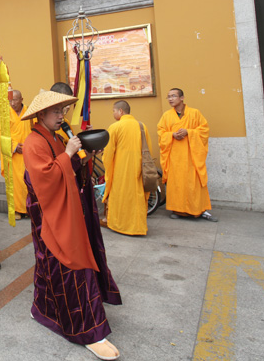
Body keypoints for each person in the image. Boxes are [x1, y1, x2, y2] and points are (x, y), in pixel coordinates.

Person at [22, 90, 121, 361]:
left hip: (61, 209)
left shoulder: (54, 137)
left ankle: (42, 310)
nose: (61, 116)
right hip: (50, 214)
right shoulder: (33, 141)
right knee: (70, 269)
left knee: (48, 266)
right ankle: (88, 330)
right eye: (56, 112)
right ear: (41, 115)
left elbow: (67, 167)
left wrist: (85, 156)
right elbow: (47, 178)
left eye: (63, 110)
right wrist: (67, 152)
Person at [157, 88, 217, 222]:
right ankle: (178, 210)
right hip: (175, 156)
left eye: (173, 96)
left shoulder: (195, 113)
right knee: (177, 183)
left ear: (182, 98)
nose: (170, 99)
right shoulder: (166, 116)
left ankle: (199, 210)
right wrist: (172, 134)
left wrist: (189, 132)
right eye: (168, 97)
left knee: (194, 183)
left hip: (192, 156)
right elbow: (161, 132)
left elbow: (204, 130)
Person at [103, 101, 151, 236]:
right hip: (138, 170)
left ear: (120, 112)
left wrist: (107, 166)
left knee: (120, 197)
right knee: (136, 198)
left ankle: (120, 225)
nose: (113, 113)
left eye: (113, 111)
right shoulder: (142, 126)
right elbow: (148, 149)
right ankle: (137, 227)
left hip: (120, 171)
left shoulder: (115, 127)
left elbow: (108, 153)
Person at [0, 89, 31, 219]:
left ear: (22, 99)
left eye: (15, 100)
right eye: (10, 100)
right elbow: (2, 134)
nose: (12, 103)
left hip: (29, 152)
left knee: (29, 182)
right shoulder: (5, 114)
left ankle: (29, 208)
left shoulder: (29, 111)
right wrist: (13, 146)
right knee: (15, 184)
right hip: (14, 155)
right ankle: (16, 210)